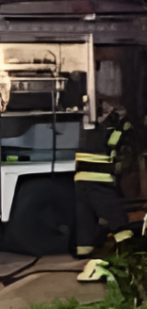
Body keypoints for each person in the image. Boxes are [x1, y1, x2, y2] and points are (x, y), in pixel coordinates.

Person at [75, 99, 134, 279]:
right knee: (116, 215)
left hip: (80, 179)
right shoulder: (117, 128)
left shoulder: (86, 125)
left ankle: (84, 251)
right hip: (99, 179)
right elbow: (118, 148)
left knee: (85, 218)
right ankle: (128, 252)